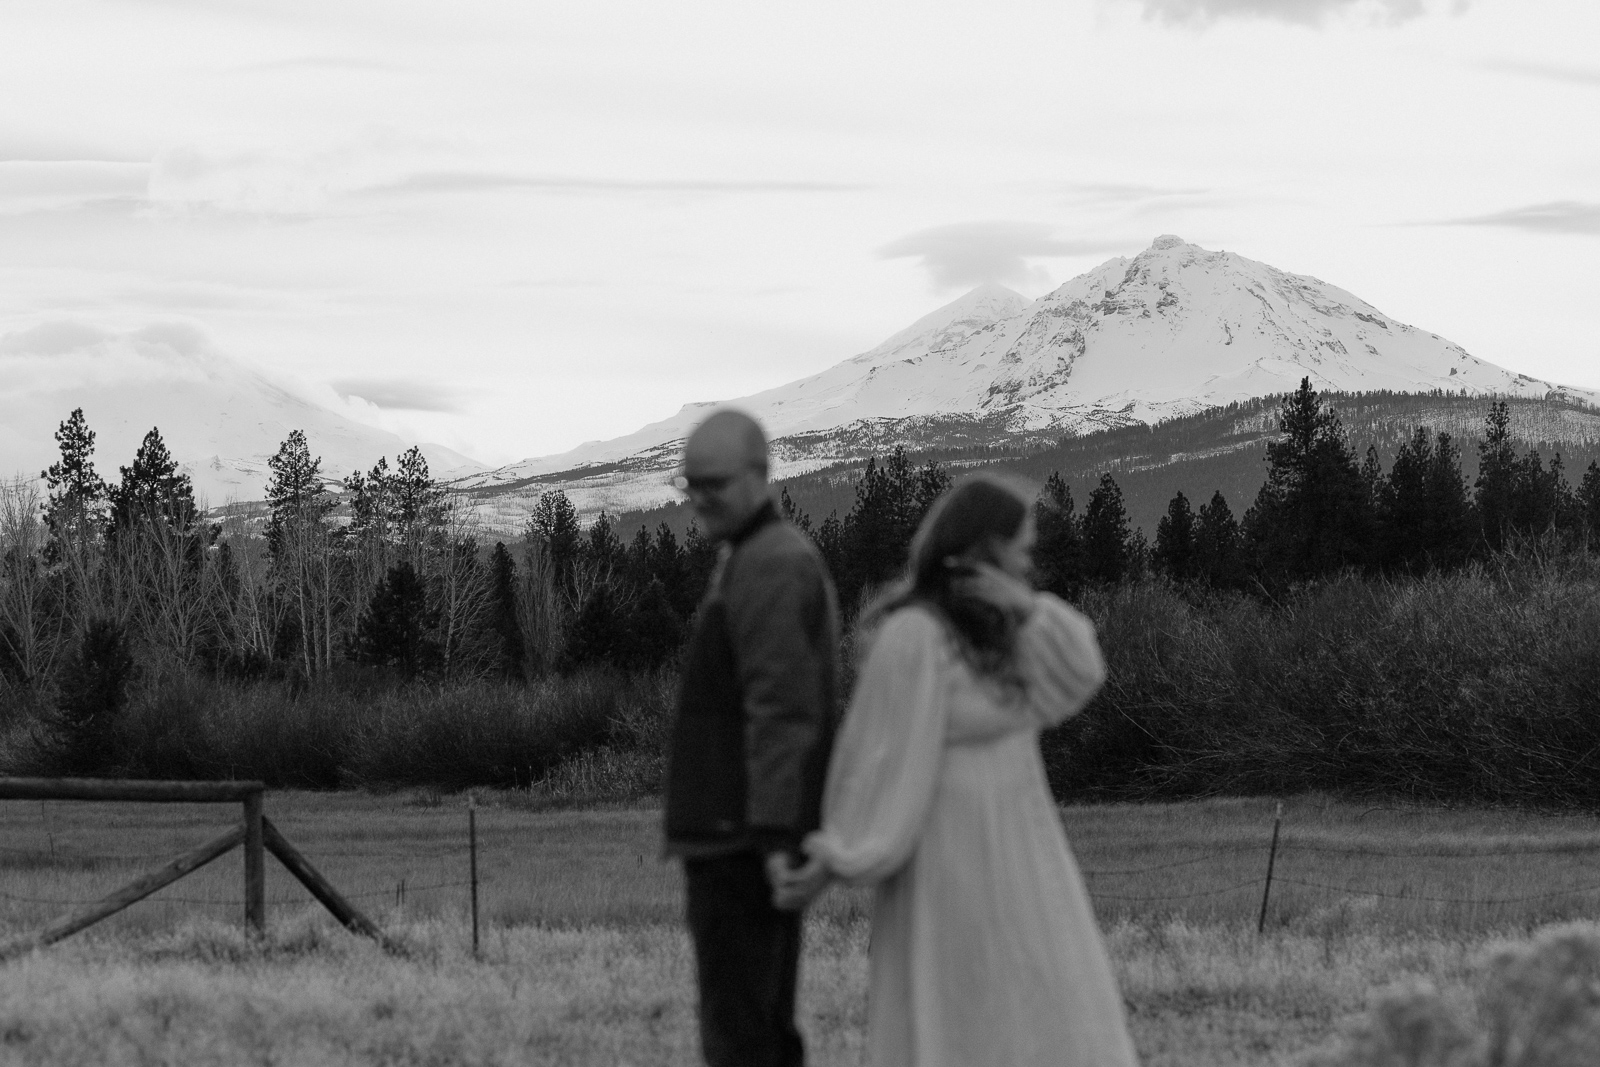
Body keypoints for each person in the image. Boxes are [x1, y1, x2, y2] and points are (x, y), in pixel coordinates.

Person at [774, 474, 1141, 1067]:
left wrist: (1023, 606)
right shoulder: (914, 635)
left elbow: (1082, 673)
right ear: (984, 546)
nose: (1028, 554)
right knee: (963, 1016)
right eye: (1019, 540)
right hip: (950, 868)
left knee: (1045, 1008)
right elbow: (876, 757)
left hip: (1025, 858)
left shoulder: (1006, 635)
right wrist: (840, 853)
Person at [661, 408, 841, 1067]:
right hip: (738, 835)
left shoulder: (768, 564)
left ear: (760, 477)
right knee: (756, 1034)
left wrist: (772, 837)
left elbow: (783, 711)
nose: (699, 498)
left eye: (714, 482)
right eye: (690, 483)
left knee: (743, 1042)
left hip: (741, 841)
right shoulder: (754, 556)